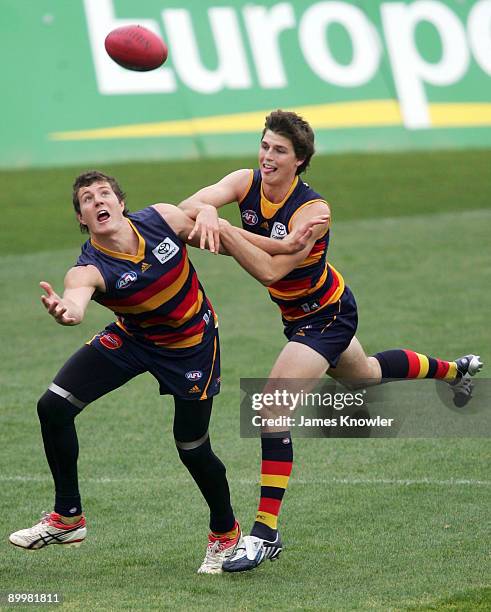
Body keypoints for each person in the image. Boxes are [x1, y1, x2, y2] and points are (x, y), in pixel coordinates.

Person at [178, 109, 483, 572]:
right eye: (264, 146)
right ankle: (457, 372)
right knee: (368, 376)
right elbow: (188, 209)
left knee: (270, 406)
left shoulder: (313, 211)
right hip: (297, 316)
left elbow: (270, 269)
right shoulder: (244, 181)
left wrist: (219, 226)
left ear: (300, 161)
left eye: (279, 150)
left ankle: (264, 534)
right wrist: (204, 209)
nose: (267, 157)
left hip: (328, 314)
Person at [9, 170, 244, 574]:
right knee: (53, 406)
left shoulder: (162, 220)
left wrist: (211, 214)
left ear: (120, 203)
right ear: (82, 218)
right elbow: (77, 297)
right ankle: (68, 518)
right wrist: (68, 311)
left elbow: (223, 236)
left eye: (104, 194)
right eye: (87, 199)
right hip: (133, 339)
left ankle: (226, 533)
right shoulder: (89, 267)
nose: (98, 202)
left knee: (192, 447)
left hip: (191, 346)